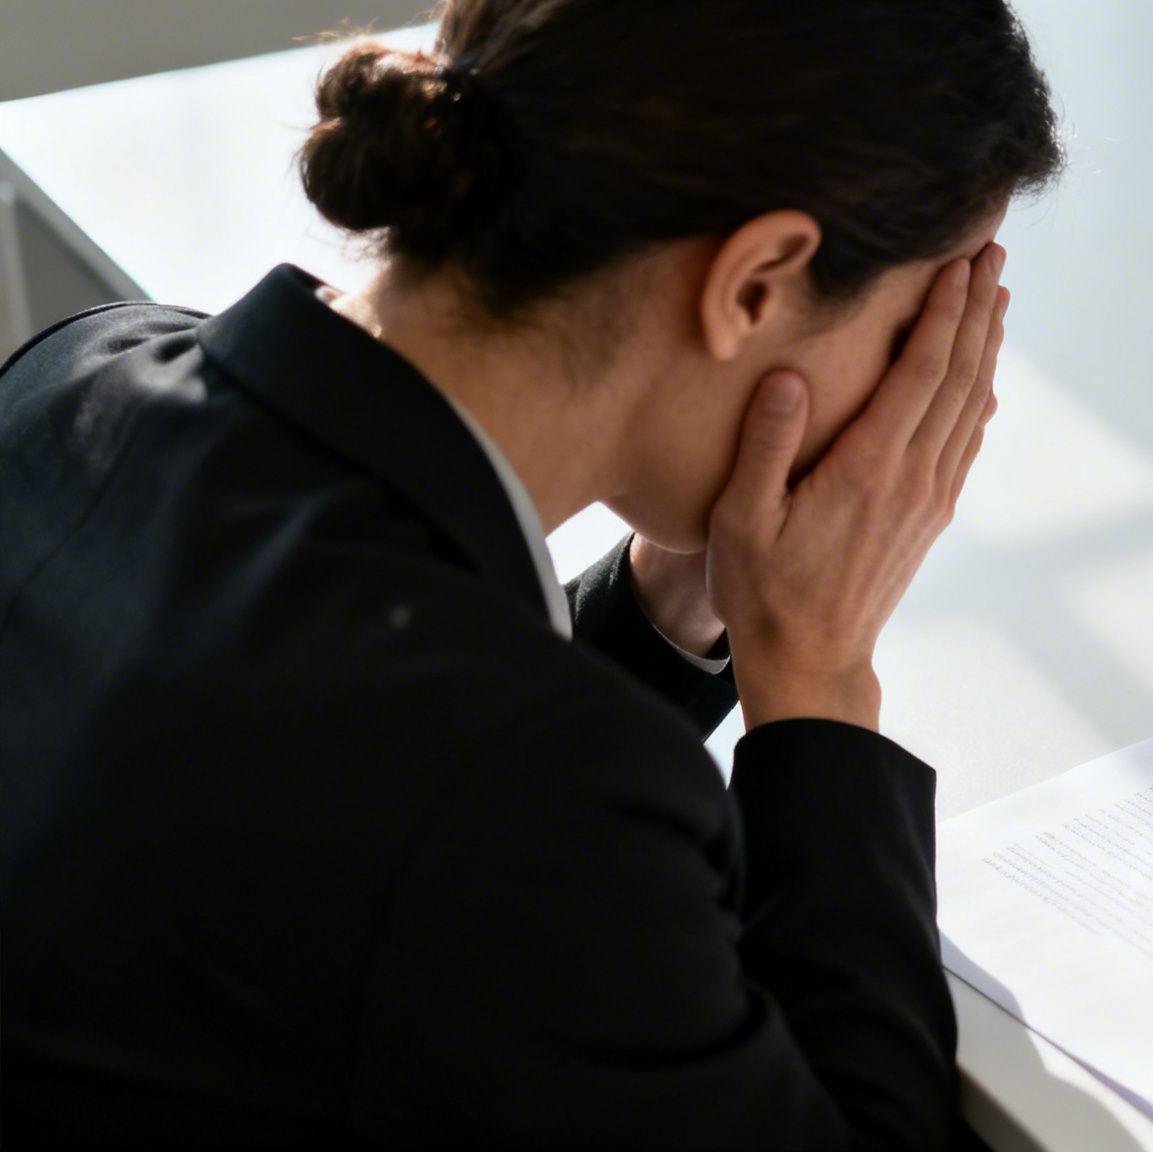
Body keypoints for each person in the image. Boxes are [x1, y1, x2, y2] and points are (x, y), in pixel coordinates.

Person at [0, 0, 1060, 1146]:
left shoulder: (80, 374)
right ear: (755, 282)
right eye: (914, 330)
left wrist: (674, 597)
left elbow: (416, 761)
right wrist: (817, 689)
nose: (925, 385)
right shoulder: (528, 805)